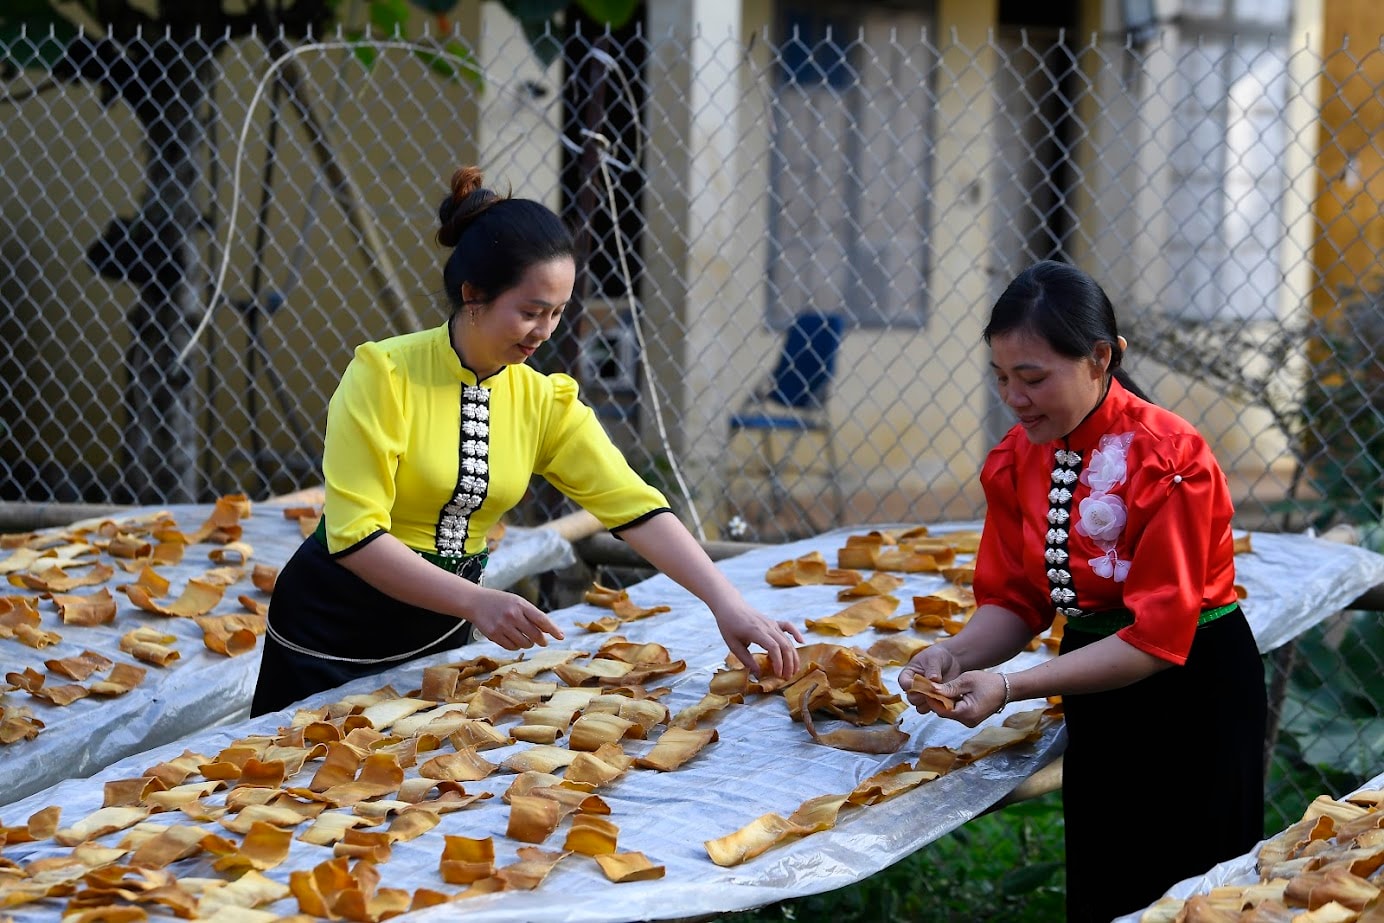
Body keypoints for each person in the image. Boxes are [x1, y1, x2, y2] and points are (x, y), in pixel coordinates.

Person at [252, 166, 802, 716]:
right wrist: (476, 602)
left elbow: (634, 506)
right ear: (473, 295)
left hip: (435, 635)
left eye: (558, 312)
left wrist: (727, 604)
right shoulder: (384, 374)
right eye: (531, 312)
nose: (545, 331)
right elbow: (355, 536)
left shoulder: (543, 400)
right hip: (328, 634)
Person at [899, 261, 1266, 923]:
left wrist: (1009, 685)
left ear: (1101, 358)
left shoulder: (1170, 458)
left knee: (1198, 897)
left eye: (1033, 377)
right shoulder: (1018, 457)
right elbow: (1017, 600)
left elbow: (1156, 641)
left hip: (1193, 693)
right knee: (1107, 886)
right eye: (1001, 377)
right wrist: (957, 654)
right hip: (1100, 692)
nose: (1014, 397)